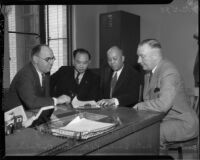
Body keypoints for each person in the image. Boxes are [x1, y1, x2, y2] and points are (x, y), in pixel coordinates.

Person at [133, 39, 199, 146]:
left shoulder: (169, 72)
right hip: (164, 119)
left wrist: (140, 106)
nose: (138, 61)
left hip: (183, 123)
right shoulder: (148, 74)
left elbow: (163, 105)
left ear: (155, 56)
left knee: (148, 134)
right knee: (138, 130)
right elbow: (149, 100)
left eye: (142, 56)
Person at [3, 44, 71, 112]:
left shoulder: (45, 72)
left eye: (53, 58)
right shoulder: (25, 74)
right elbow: (32, 103)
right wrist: (57, 100)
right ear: (36, 59)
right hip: (15, 117)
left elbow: (45, 98)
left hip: (34, 113)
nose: (52, 62)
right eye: (48, 59)